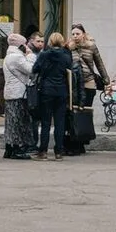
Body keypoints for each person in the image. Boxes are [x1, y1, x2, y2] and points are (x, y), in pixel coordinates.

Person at [29, 31, 75, 160]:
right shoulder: (65, 56)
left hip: (46, 91)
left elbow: (35, 69)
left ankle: (43, 151)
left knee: (45, 122)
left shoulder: (44, 55)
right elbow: (70, 68)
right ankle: (58, 151)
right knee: (60, 122)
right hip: (61, 92)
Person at [1, 32, 35, 160]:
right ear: (20, 45)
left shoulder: (9, 56)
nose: (26, 46)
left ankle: (9, 148)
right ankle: (17, 149)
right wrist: (30, 55)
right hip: (18, 93)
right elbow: (31, 69)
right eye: (24, 44)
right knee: (18, 122)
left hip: (10, 93)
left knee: (11, 122)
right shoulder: (17, 57)